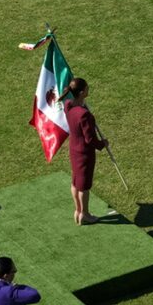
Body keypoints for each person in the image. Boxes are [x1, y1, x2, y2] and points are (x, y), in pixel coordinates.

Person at [60, 77, 108, 225]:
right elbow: (90, 139)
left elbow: (73, 105)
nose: (88, 89)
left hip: (74, 149)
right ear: (81, 92)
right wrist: (102, 144)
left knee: (75, 181)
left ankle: (78, 211)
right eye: (86, 88)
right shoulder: (84, 115)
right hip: (84, 153)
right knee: (84, 185)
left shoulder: (68, 105)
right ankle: (85, 214)